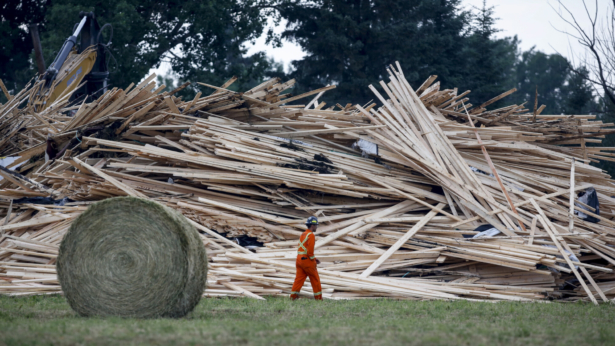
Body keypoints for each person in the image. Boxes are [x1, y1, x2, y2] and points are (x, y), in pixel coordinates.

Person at [290, 216, 322, 300]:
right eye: (316, 225)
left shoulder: (303, 234)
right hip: (307, 261)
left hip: (299, 260)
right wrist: (313, 260)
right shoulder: (311, 235)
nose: (316, 227)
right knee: (315, 279)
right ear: (312, 225)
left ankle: (293, 297)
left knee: (298, 280)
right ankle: (318, 298)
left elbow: (302, 249)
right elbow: (310, 252)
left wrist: (314, 258)